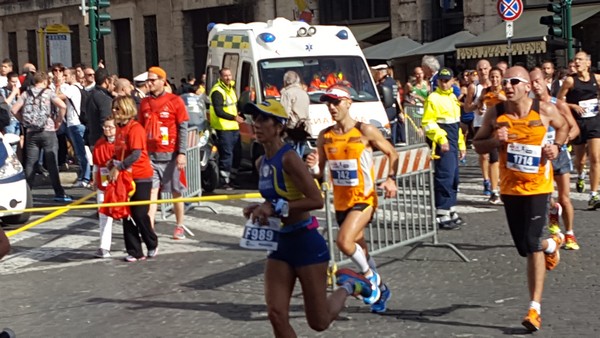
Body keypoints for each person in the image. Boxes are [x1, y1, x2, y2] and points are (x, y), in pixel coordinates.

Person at [242, 99, 373, 336]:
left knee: (318, 322)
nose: (256, 125)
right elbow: (277, 197)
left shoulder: (289, 158)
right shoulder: (261, 162)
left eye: (264, 119)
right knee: (276, 314)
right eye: (254, 119)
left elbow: (316, 200)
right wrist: (260, 207)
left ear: (279, 126)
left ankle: (350, 285)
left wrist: (275, 208)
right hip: (280, 243)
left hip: (305, 242)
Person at [473, 66, 569, 332]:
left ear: (527, 85)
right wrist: (494, 139)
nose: (508, 85)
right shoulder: (497, 112)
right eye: (505, 82)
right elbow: (477, 143)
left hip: (539, 187)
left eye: (514, 81)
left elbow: (565, 129)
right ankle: (554, 242)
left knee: (531, 244)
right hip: (510, 188)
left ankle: (534, 308)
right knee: (524, 247)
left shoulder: (545, 110)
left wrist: (556, 147)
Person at [306, 85, 398, 312]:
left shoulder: (364, 130)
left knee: (343, 242)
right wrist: (313, 167)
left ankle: (370, 280)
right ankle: (381, 289)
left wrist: (390, 179)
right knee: (359, 247)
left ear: (348, 103)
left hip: (364, 198)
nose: (331, 107)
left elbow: (392, 153)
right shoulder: (325, 136)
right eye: (328, 102)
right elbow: (321, 172)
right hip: (341, 202)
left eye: (336, 102)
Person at [530, 68, 580, 250]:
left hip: (559, 156)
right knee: (546, 198)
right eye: (532, 82)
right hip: (541, 159)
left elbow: (574, 129)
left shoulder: (558, 105)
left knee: (565, 198)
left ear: (546, 82)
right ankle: (553, 210)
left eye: (538, 81)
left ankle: (570, 234)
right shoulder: (530, 107)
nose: (535, 86)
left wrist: (560, 143)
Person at [138, 67, 190, 239]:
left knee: (176, 191)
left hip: (171, 156)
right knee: (152, 193)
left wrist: (182, 153)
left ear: (163, 81)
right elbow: (139, 127)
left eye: (153, 80)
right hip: (151, 156)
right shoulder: (144, 103)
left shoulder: (175, 101)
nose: (149, 83)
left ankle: (179, 225)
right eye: (148, 80)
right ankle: (149, 229)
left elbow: (183, 128)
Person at [110, 95, 158, 262]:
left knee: (139, 213)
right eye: (113, 108)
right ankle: (134, 250)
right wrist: (111, 163)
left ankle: (151, 242)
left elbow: (136, 154)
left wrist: (119, 167)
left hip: (140, 175)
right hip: (124, 177)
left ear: (126, 110)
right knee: (126, 214)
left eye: (117, 108)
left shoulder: (135, 128)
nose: (114, 112)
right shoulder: (118, 128)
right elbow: (118, 151)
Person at [11, 71, 72, 202]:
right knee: (52, 163)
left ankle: (26, 194)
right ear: (45, 81)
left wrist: (23, 121)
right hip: (48, 130)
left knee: (30, 164)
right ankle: (59, 192)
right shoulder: (48, 93)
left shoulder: (25, 94)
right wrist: (58, 121)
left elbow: (13, 110)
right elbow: (62, 105)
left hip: (31, 133)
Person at [422, 67, 466, 229]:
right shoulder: (433, 98)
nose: (444, 83)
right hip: (443, 144)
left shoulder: (453, 98)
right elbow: (428, 123)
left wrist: (461, 145)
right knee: (444, 178)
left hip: (453, 142)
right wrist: (441, 139)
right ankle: (441, 214)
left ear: (453, 80)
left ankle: (451, 209)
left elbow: (457, 124)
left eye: (447, 80)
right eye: (441, 80)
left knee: (454, 178)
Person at [557, 51, 600, 210]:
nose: (577, 62)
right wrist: (573, 106)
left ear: (588, 63)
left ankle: (594, 194)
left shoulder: (596, 78)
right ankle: (581, 175)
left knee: (595, 157)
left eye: (581, 59)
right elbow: (559, 100)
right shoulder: (570, 81)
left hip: (594, 121)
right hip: (578, 123)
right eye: (576, 59)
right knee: (581, 160)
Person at [209, 68, 244, 190]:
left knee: (237, 154)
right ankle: (224, 181)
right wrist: (234, 117)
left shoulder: (230, 89)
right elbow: (219, 111)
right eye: (225, 76)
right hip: (223, 128)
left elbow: (234, 105)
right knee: (227, 155)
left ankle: (232, 179)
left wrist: (240, 113)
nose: (228, 78)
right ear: (221, 77)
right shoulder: (217, 91)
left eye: (229, 75)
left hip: (234, 127)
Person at [57, 67, 90, 188]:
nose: (64, 78)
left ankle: (85, 177)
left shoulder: (72, 88)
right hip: (78, 123)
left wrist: (58, 84)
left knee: (80, 152)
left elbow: (57, 97)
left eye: (66, 75)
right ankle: (84, 175)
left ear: (72, 76)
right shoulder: (80, 88)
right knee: (81, 151)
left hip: (74, 123)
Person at [477, 67, 506, 205]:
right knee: (492, 158)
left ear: (501, 78)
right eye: (492, 77)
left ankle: (504, 188)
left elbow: (514, 104)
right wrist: (480, 107)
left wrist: (504, 99)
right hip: (490, 129)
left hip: (505, 128)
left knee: (503, 159)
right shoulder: (485, 91)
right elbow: (479, 103)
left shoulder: (505, 91)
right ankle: (494, 191)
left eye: (497, 77)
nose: (494, 80)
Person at [466, 59, 494, 196]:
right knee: (484, 155)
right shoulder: (474, 87)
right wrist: (476, 106)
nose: (483, 72)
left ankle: (495, 181)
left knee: (495, 156)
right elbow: (466, 108)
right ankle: (486, 180)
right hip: (480, 123)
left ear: (490, 69)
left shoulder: (497, 86)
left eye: (485, 69)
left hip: (495, 124)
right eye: (480, 69)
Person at [92, 117, 116, 258]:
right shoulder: (99, 144)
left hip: (119, 185)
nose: (107, 130)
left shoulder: (121, 143)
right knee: (104, 215)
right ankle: (104, 246)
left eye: (110, 127)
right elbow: (96, 164)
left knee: (128, 215)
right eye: (105, 127)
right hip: (103, 183)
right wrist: (94, 180)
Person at [279, 70, 310, 156]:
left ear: (285, 81)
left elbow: (284, 113)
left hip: (291, 129)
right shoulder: (304, 93)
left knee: (290, 156)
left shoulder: (287, 93)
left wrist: (281, 130)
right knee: (300, 156)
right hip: (304, 128)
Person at [86, 68, 113, 149]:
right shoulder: (103, 97)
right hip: (101, 142)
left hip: (93, 138)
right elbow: (105, 119)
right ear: (107, 81)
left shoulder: (91, 95)